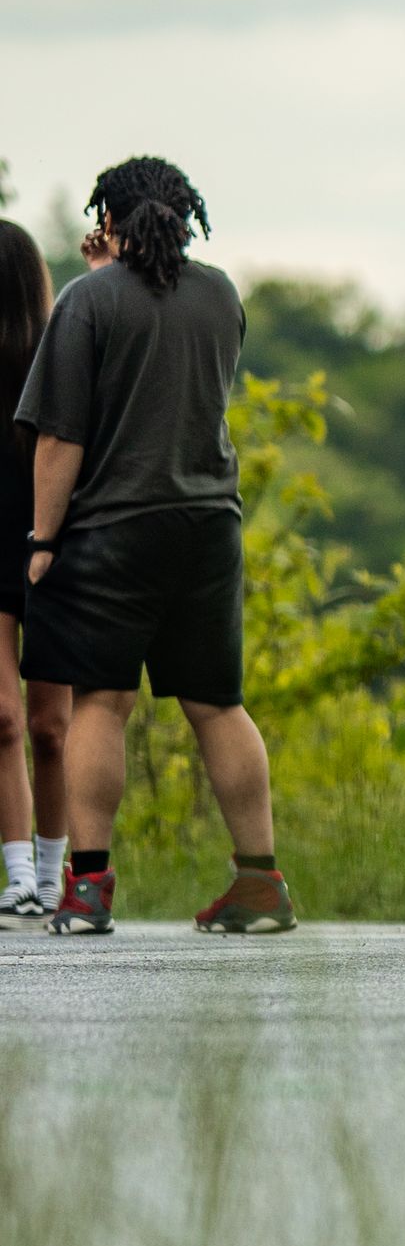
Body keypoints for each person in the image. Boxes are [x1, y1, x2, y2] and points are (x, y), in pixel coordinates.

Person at [16, 156, 295, 938]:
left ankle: (90, 889)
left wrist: (42, 539)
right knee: (218, 705)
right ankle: (260, 883)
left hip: (115, 528)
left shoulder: (86, 301)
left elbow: (60, 438)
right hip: (209, 525)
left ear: (110, 219)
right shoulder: (221, 295)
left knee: (101, 701)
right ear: (181, 214)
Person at [0, 217, 72, 921]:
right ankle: (18, 873)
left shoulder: (58, 361)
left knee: (53, 726)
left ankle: (54, 875)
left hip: (49, 551)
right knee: (2, 719)